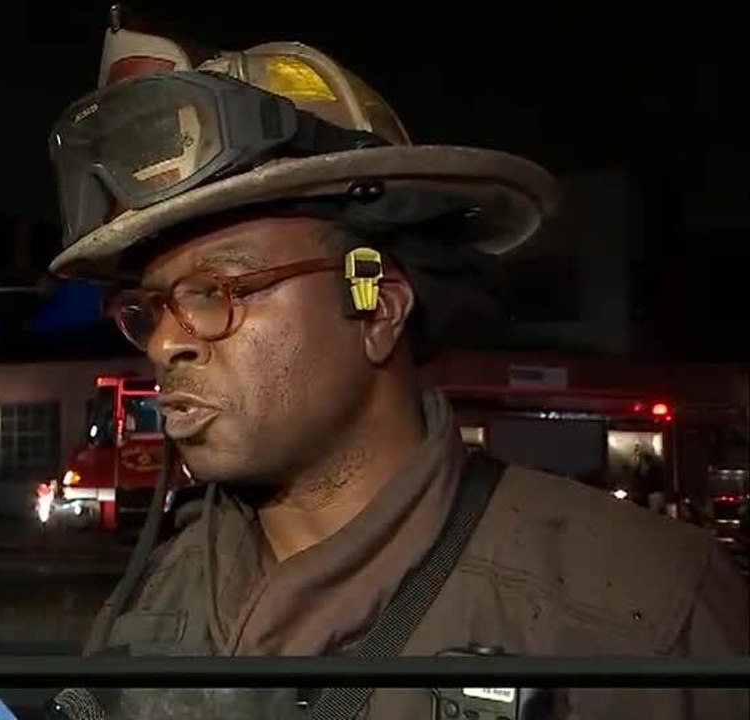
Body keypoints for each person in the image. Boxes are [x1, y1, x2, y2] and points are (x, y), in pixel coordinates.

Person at [42, 10, 749, 720]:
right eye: (150, 309)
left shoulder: (645, 613)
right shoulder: (154, 597)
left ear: (377, 306)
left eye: (216, 290)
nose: (165, 344)